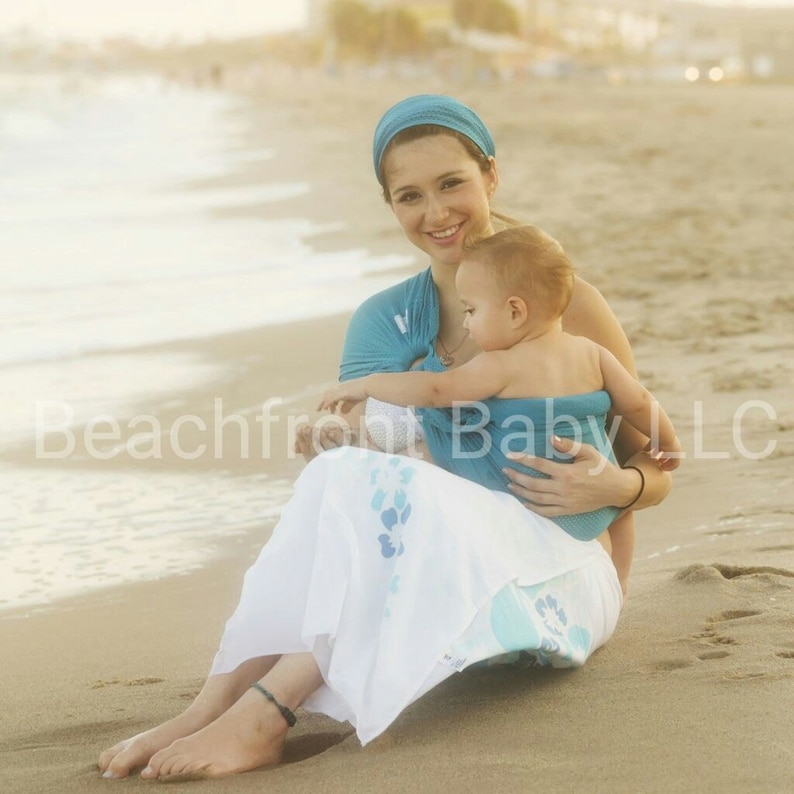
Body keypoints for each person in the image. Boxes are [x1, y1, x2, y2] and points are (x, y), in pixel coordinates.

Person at [98, 94, 672, 781]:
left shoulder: (562, 302)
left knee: (391, 490)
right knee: (344, 477)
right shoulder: (385, 320)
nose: (436, 213)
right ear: (391, 205)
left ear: (490, 176)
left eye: (452, 183)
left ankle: (264, 713)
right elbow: (360, 466)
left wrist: (620, 484)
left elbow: (657, 457)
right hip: (439, 575)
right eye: (410, 196)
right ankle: (211, 706)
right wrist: (332, 435)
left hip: (565, 579)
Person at [319, 224, 681, 554]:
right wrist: (666, 442)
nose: (466, 322)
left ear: (514, 312)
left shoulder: (501, 364)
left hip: (525, 508)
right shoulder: (593, 354)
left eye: (472, 310)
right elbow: (639, 401)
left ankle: (364, 451)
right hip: (593, 514)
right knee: (601, 545)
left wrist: (367, 385)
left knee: (427, 436)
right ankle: (615, 586)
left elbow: (436, 391)